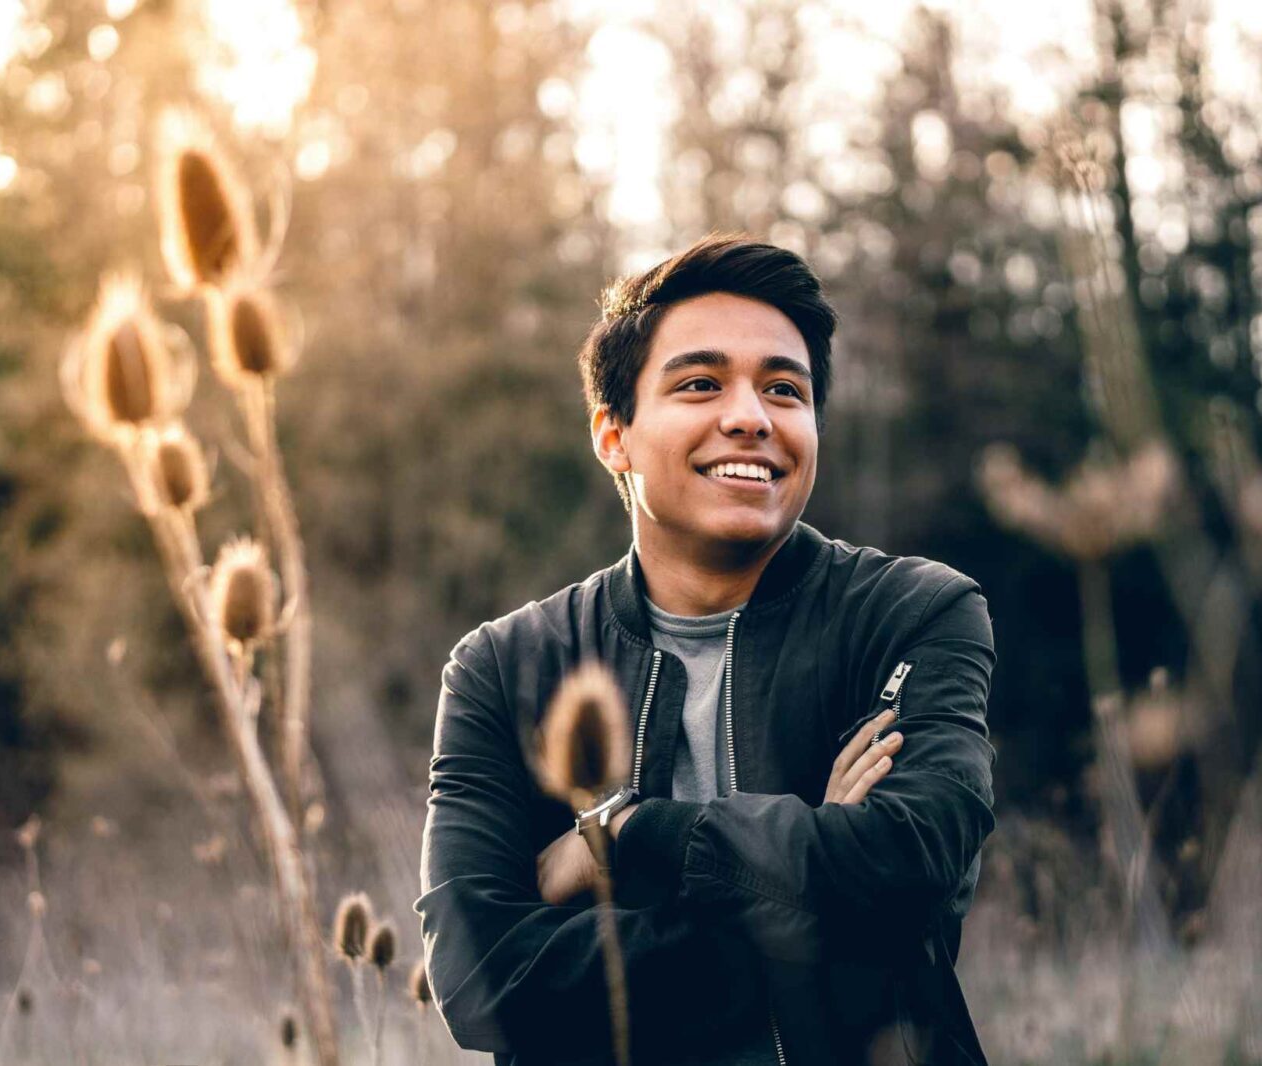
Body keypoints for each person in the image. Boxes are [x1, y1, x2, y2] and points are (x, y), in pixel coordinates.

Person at [416, 234, 997, 1065]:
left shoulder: (910, 612)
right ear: (613, 436)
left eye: (784, 390)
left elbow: (913, 865)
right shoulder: (506, 667)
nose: (751, 417)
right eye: (700, 384)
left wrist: (629, 835)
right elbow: (481, 985)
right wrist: (814, 894)